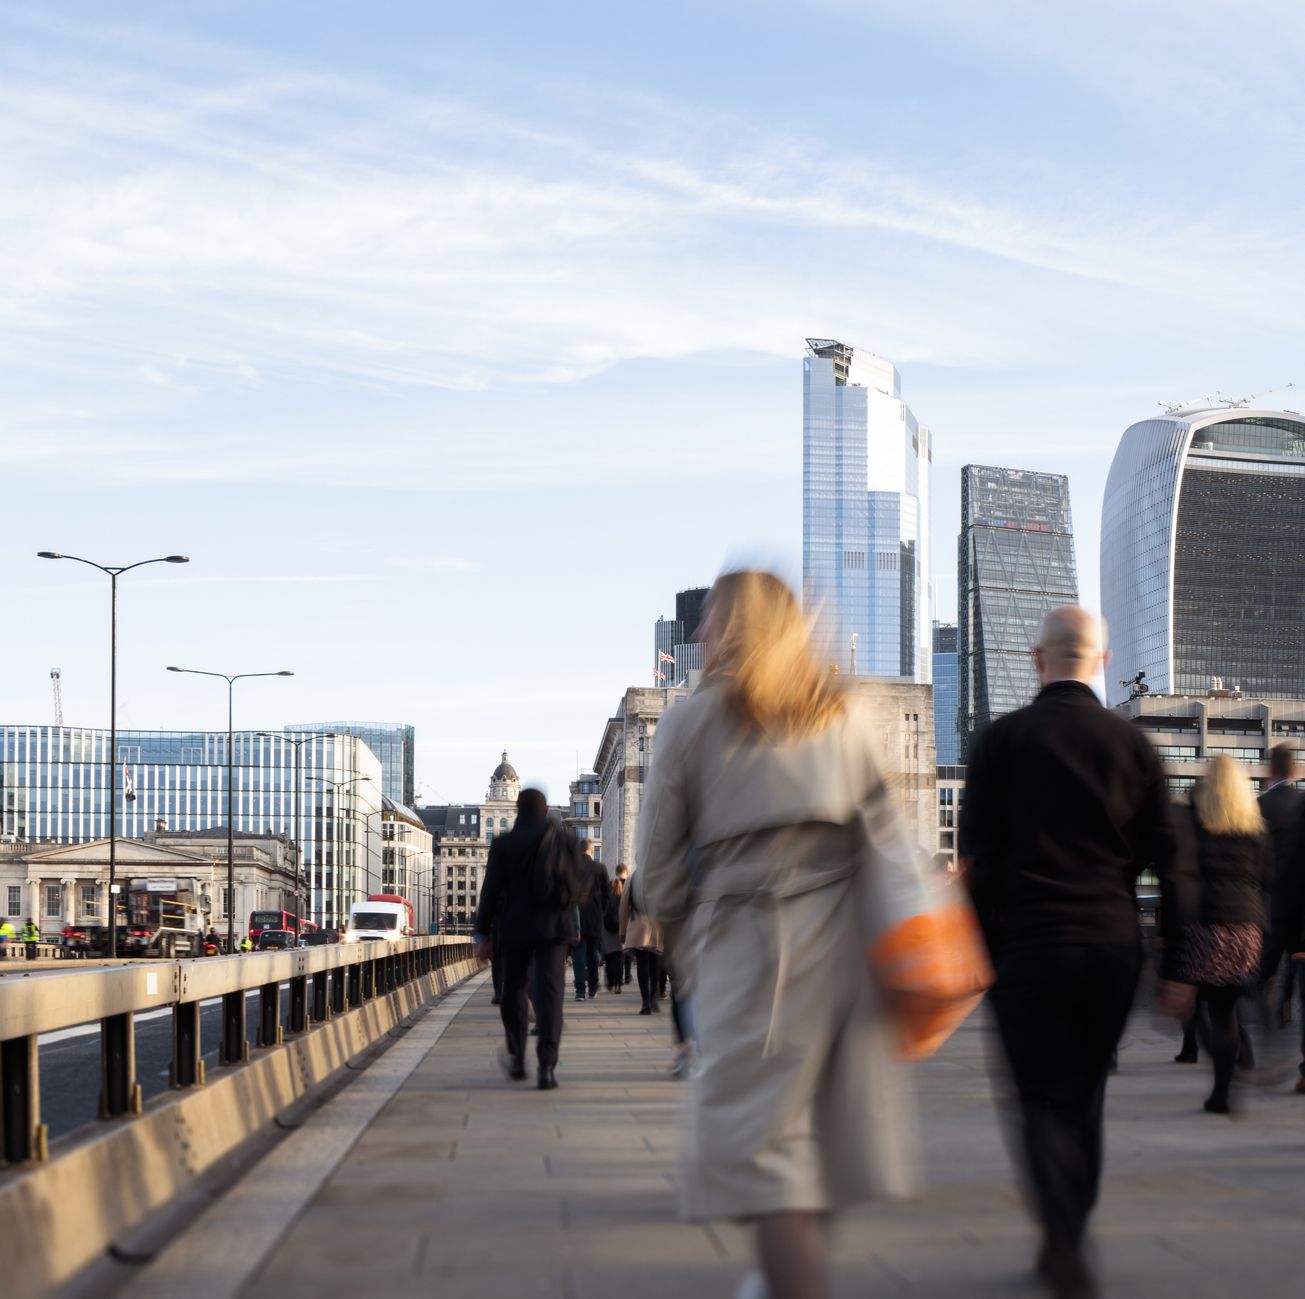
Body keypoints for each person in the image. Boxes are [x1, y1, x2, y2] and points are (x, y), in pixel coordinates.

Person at [637, 570, 920, 1299]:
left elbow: (658, 874)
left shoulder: (693, 721)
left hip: (752, 949)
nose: (699, 633)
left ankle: (788, 1282)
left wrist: (686, 956)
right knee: (822, 1139)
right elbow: (887, 835)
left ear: (732, 629)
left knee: (770, 1153)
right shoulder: (844, 712)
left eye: (711, 620)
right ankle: (783, 1275)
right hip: (850, 952)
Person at [960, 606, 1197, 1299]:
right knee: (1084, 1095)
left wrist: (978, 952)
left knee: (1037, 1098)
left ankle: (1061, 1236)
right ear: (1100, 659)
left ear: (1038, 659)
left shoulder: (999, 742)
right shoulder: (1134, 746)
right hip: (1109, 945)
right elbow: (1174, 864)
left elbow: (975, 860)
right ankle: (1068, 1229)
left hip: (1026, 944)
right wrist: (1178, 965)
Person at [1177, 755, 1272, 1114]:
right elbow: (1267, 879)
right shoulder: (1257, 829)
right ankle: (1232, 1076)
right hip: (1247, 926)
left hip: (1208, 926)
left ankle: (1221, 1084)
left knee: (1199, 1007)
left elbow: (1184, 875)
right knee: (1227, 1009)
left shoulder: (1197, 824)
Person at [472, 788, 578, 1090]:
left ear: (518, 810)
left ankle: (518, 1056)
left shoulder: (504, 845)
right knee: (551, 994)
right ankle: (547, 1065)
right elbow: (577, 888)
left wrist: (481, 932)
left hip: (515, 929)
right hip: (555, 930)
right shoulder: (564, 842)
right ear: (545, 811)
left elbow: (489, 891)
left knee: (514, 991)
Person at [1257, 745, 1305, 1091]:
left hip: (1272, 902)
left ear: (1271, 769)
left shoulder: (1261, 806)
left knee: (1261, 976)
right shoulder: (1299, 804)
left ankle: (1271, 1036)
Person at [619, 869, 663, 1014]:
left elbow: (624, 905)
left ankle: (646, 1002)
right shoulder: (659, 874)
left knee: (642, 964)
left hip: (638, 924)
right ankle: (653, 998)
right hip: (657, 924)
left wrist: (622, 931)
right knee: (655, 963)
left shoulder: (632, 878)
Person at [571, 843, 608, 1000]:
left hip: (576, 915)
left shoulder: (572, 867)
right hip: (595, 916)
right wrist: (602, 912)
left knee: (578, 953)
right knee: (593, 953)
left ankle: (580, 990)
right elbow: (607, 893)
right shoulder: (600, 868)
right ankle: (593, 987)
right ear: (592, 851)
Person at [601, 869, 625, 992]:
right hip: (620, 929)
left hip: (607, 930)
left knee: (609, 957)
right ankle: (618, 984)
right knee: (619, 957)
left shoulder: (606, 899)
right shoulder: (622, 898)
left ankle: (610, 981)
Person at [614, 865, 634, 985]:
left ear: (616, 872)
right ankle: (627, 975)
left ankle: (619, 977)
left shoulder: (613, 883)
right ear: (627, 871)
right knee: (628, 950)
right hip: (630, 920)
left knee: (619, 951)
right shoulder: (631, 883)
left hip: (616, 920)